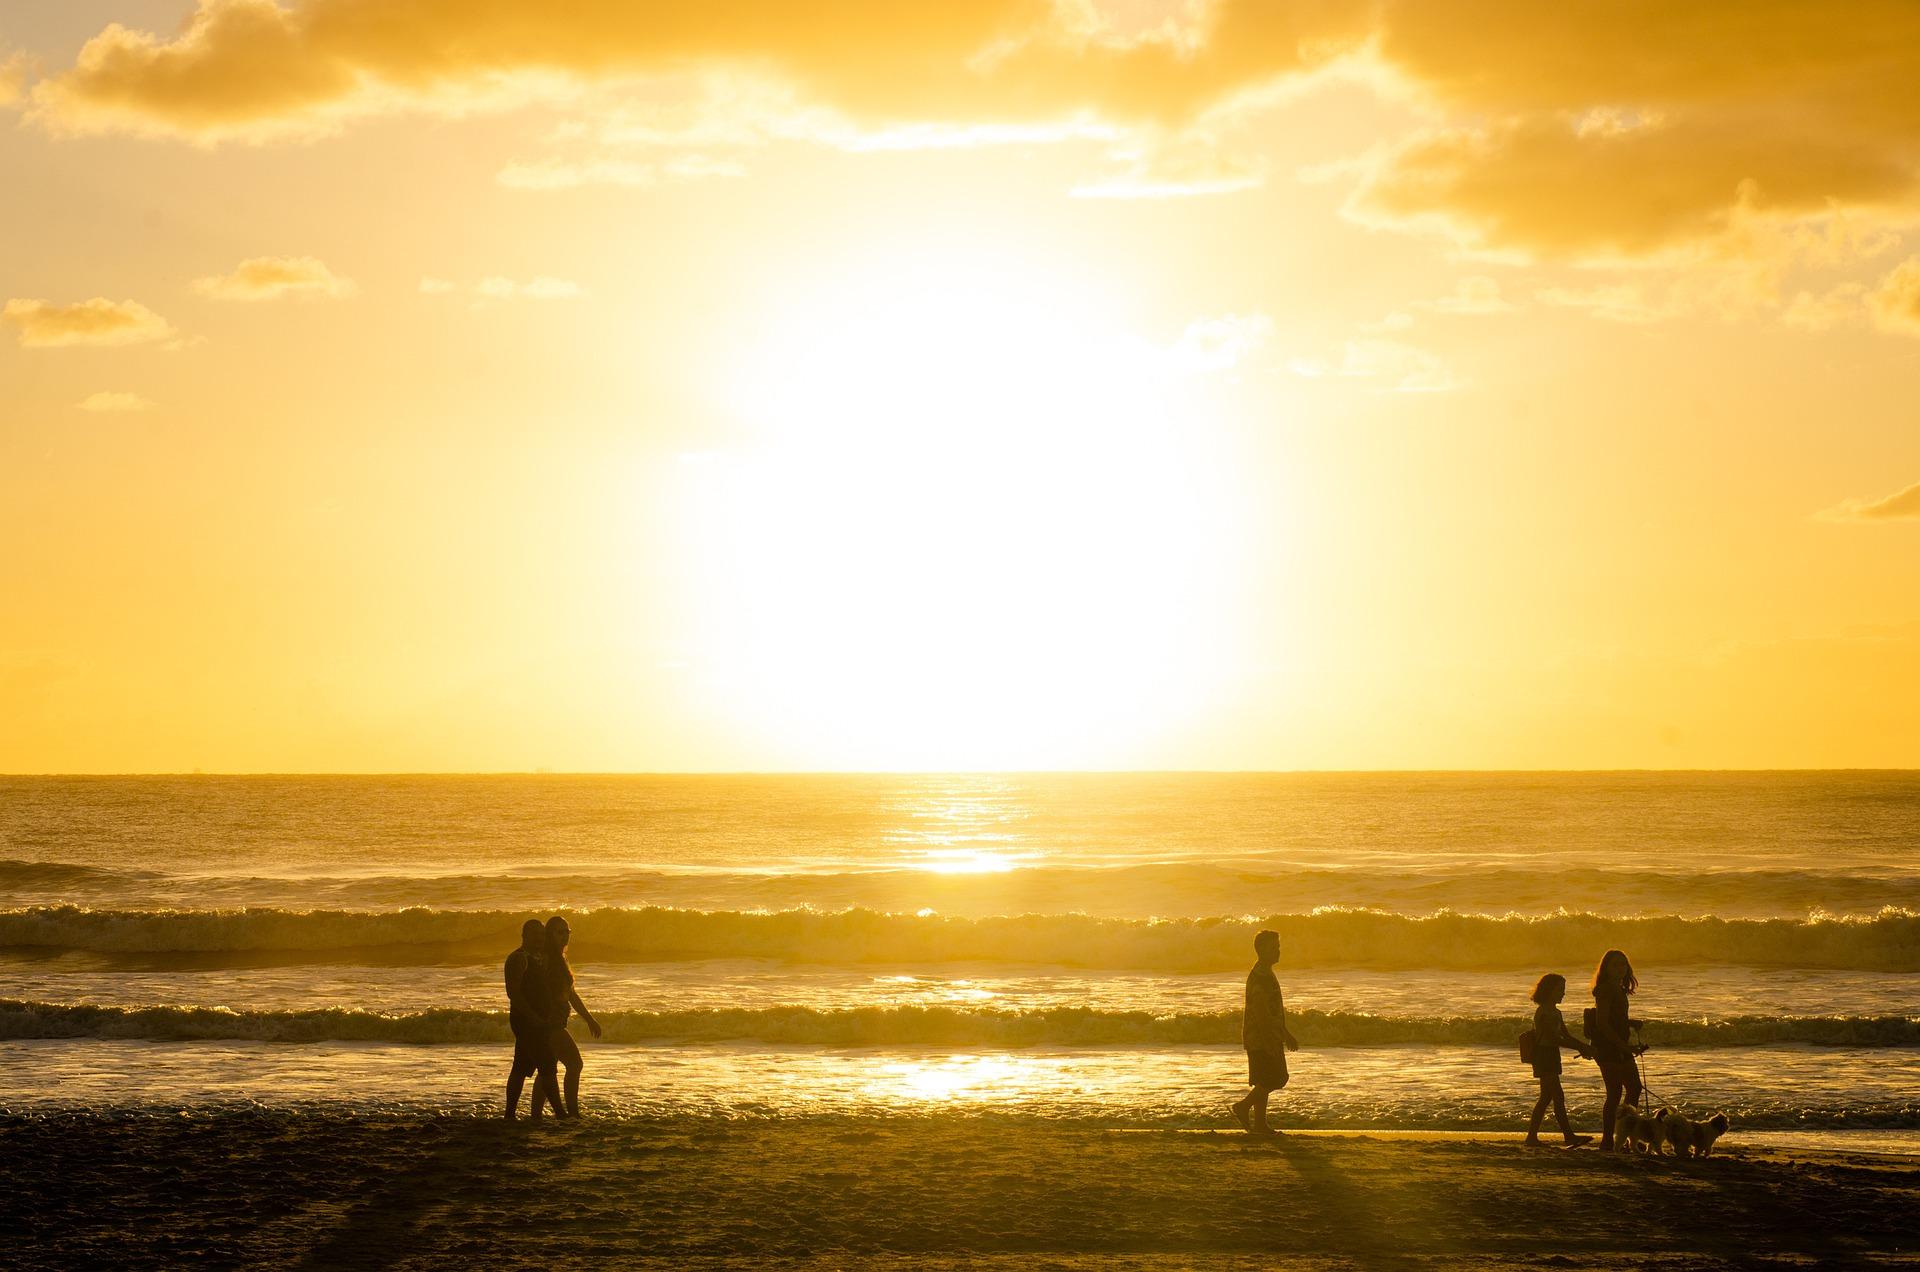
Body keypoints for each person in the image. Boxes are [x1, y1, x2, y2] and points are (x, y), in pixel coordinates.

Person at [1230, 928, 1298, 1135]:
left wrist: (1285, 1034)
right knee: (1276, 1078)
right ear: (1261, 950)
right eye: (1274, 948)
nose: (1278, 951)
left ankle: (1260, 1124)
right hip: (1261, 1037)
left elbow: (1273, 1011)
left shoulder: (1266, 972)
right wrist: (1270, 1040)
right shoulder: (1261, 976)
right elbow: (1261, 1013)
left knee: (1263, 1080)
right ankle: (1242, 1106)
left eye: (1278, 947)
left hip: (1266, 1036)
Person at [1523, 973, 1593, 1148]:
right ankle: (1568, 1136)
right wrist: (1580, 1047)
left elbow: (1566, 1035)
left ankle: (1531, 1138)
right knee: (1557, 1097)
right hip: (1544, 1055)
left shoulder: (1556, 1012)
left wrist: (1583, 1047)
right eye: (1560, 990)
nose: (1563, 993)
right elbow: (1554, 1038)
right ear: (1549, 991)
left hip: (1552, 1055)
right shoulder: (1544, 1012)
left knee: (1546, 1098)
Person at [505, 918, 564, 1120]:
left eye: (542, 935)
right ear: (524, 936)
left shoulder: (540, 958)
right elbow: (514, 993)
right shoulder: (518, 959)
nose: (540, 938)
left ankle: (509, 1115)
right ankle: (560, 1113)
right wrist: (533, 1017)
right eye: (535, 935)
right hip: (526, 1021)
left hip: (540, 1021)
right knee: (547, 1066)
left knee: (520, 1067)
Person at [545, 915, 603, 1117]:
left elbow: (571, 994)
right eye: (559, 932)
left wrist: (589, 1018)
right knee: (575, 1064)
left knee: (547, 1070)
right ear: (550, 934)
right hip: (550, 1023)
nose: (565, 936)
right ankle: (572, 1113)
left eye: (567, 932)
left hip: (555, 1021)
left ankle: (536, 1116)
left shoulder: (560, 958)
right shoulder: (549, 960)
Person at [1588, 948, 1644, 1151]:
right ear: (1606, 968)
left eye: (1623, 964)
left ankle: (1626, 1136)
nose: (1621, 968)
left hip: (1618, 1045)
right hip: (1608, 1047)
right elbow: (1602, 1023)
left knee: (1633, 1088)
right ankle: (1608, 1140)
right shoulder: (1605, 989)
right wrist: (1623, 1045)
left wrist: (1630, 1022)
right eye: (1615, 965)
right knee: (1615, 1092)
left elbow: (1614, 1018)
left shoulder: (1617, 988)